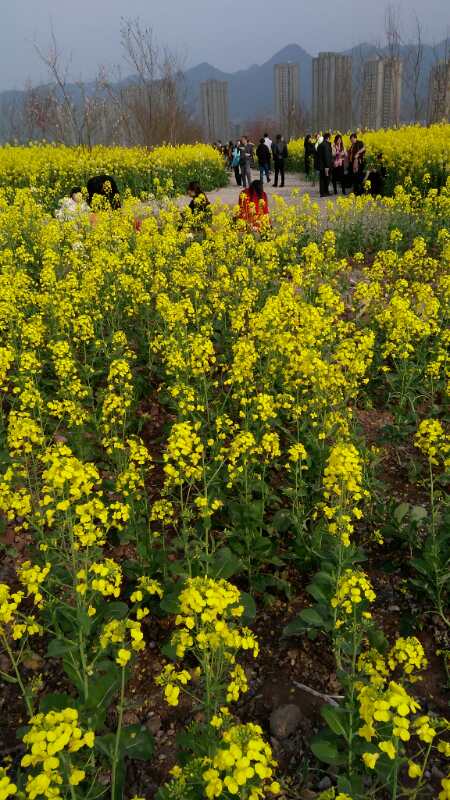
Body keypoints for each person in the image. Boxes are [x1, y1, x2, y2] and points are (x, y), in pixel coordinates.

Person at [317, 132, 333, 197]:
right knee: (326, 179)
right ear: (328, 138)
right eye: (330, 138)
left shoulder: (321, 144)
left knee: (322, 179)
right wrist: (327, 166)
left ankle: (324, 192)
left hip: (321, 165)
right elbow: (326, 156)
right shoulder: (325, 145)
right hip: (325, 166)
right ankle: (324, 192)